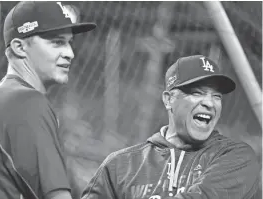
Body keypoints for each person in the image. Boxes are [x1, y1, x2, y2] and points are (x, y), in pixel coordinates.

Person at [81, 55, 260, 199]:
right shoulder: (120, 166)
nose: (209, 103)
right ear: (169, 99)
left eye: (217, 96)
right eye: (197, 93)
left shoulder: (236, 158)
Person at [0, 1, 96, 199]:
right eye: (57, 42)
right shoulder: (26, 103)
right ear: (20, 47)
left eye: (69, 42)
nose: (70, 53)